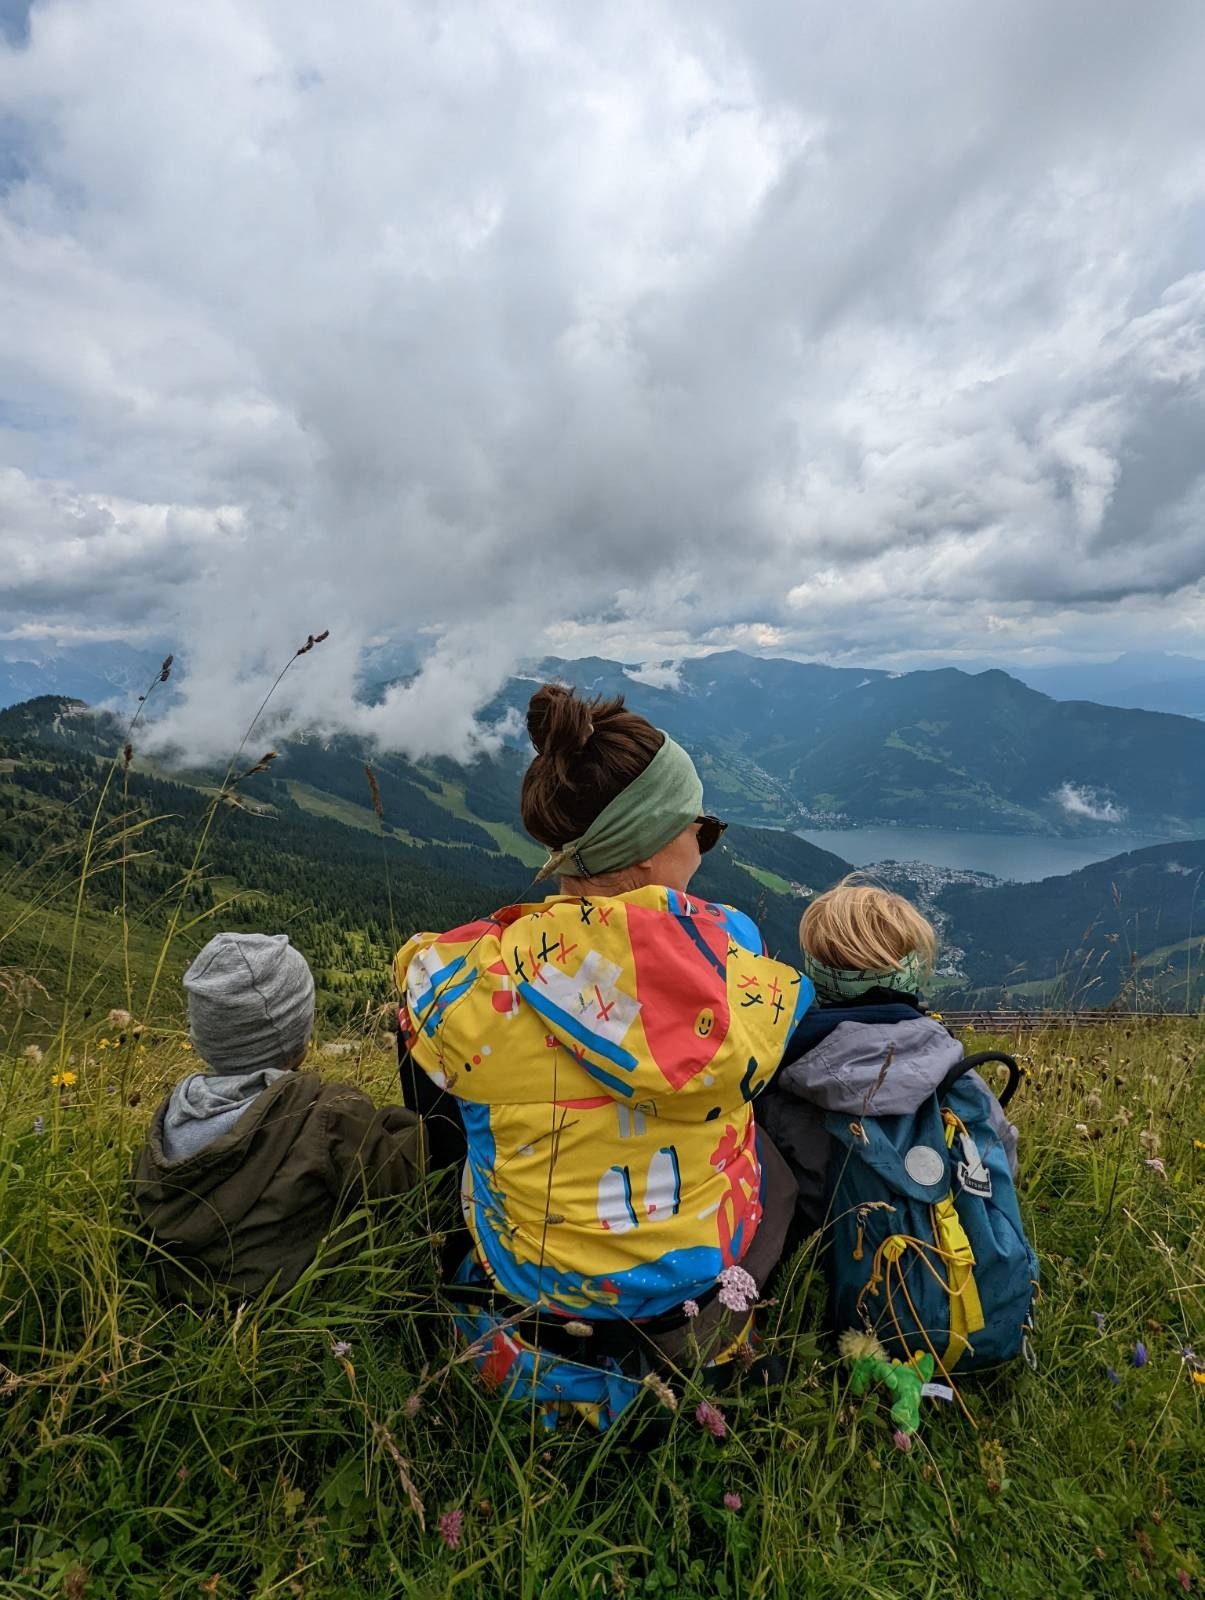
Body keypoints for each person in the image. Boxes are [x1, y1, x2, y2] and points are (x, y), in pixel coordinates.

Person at [394, 685, 813, 1428]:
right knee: (770, 1154)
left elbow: (425, 1069)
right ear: (652, 850)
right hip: (702, 1301)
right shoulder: (737, 954)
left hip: (535, 1304)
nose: (702, 842)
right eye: (700, 828)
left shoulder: (453, 981)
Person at [134, 931, 425, 1303]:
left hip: (180, 1302)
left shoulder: (170, 1118)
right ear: (296, 1034)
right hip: (285, 1309)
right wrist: (396, 1121)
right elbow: (405, 1177)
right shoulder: (327, 1114)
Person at [757, 880, 1020, 1240]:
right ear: (910, 970)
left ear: (816, 975)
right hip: (954, 1274)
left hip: (821, 1275)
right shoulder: (961, 1079)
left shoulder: (779, 1077)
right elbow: (1003, 1170)